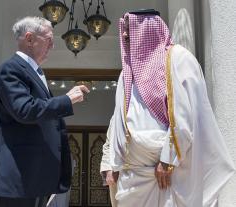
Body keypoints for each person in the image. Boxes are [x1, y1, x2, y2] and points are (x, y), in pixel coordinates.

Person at [100, 9, 235, 207]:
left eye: (130, 29)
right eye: (125, 30)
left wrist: (168, 159)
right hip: (133, 178)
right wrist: (110, 161)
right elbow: (118, 120)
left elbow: (186, 115)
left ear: (147, 29)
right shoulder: (126, 74)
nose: (125, 35)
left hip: (167, 174)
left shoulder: (178, 60)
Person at [0, 16, 89, 207]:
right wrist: (67, 100)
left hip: (34, 178)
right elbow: (25, 110)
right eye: (48, 39)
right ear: (29, 39)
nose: (52, 45)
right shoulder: (11, 69)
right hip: (20, 177)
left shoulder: (34, 71)